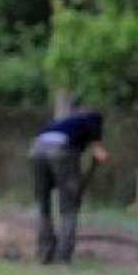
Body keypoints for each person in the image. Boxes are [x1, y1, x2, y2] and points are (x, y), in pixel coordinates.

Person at [29, 106, 110, 264]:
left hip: (36, 150)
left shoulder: (61, 121)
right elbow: (99, 152)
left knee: (43, 205)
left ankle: (44, 254)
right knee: (69, 208)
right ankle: (62, 257)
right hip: (61, 150)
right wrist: (102, 157)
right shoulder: (93, 118)